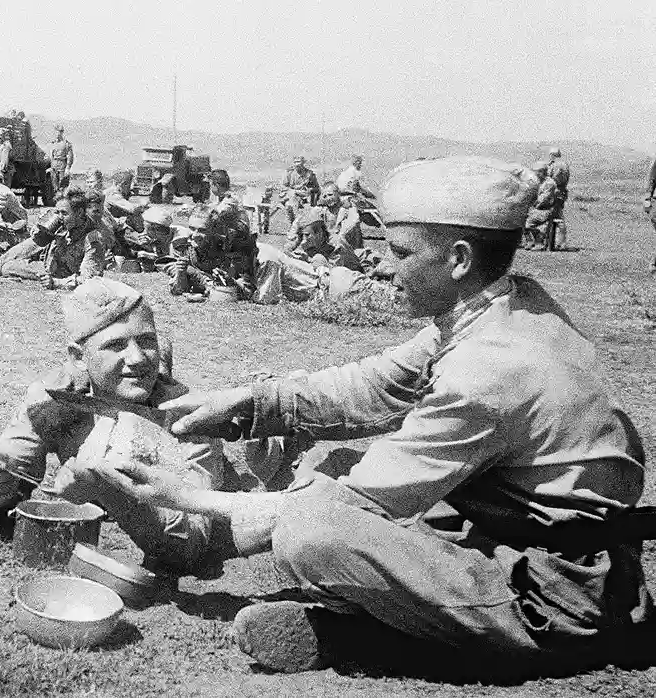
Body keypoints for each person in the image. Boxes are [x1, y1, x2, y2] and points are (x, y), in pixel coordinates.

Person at [99, 156, 651, 674]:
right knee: (333, 467)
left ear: (457, 259)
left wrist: (189, 498)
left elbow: (364, 497)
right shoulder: (501, 308)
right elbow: (375, 386)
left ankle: (409, 641)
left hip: (561, 589)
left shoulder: (495, 365)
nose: (387, 268)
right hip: (512, 535)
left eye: (402, 253)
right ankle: (381, 628)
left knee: (311, 529)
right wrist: (244, 404)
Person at [0, 277, 228, 575]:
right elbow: (5, 470)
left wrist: (109, 488)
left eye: (148, 341)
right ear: (78, 357)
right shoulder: (55, 397)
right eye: (115, 345)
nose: (137, 358)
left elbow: (191, 544)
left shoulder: (188, 414)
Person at [0, 186, 107, 288]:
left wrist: (57, 283)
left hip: (63, 276)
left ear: (80, 213)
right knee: (3, 266)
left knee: (6, 268)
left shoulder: (93, 238)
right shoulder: (62, 225)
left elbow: (89, 280)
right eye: (58, 212)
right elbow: (33, 244)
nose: (59, 217)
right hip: (48, 267)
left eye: (64, 213)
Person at [207, 169, 257, 298]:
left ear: (216, 184)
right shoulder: (223, 198)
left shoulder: (230, 199)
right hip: (233, 238)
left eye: (210, 184)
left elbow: (215, 214)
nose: (210, 188)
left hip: (240, 240)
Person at [165, 206, 223, 296]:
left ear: (214, 231)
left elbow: (230, 285)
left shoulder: (224, 247)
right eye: (191, 228)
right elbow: (179, 290)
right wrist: (182, 272)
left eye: (202, 230)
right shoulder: (180, 246)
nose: (195, 235)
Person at [523, 162, 558, 251]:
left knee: (528, 222)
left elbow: (543, 199)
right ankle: (530, 241)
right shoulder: (536, 182)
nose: (534, 174)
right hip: (535, 209)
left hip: (545, 210)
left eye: (536, 172)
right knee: (519, 218)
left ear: (542, 172)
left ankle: (539, 242)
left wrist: (532, 205)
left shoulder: (550, 183)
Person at [280, 156, 321, 225]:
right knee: (289, 206)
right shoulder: (289, 173)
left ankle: (300, 225)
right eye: (295, 162)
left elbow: (317, 188)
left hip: (306, 199)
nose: (297, 164)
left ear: (303, 163)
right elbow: (283, 187)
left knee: (306, 210)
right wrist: (294, 191)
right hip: (292, 198)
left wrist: (309, 190)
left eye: (299, 162)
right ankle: (293, 225)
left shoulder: (309, 174)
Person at [49, 124, 74, 195]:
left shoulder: (66, 144)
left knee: (62, 184)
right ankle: (56, 198)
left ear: (62, 132)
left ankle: (62, 198)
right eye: (56, 131)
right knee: (53, 184)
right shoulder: (53, 143)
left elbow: (70, 156)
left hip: (62, 164)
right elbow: (51, 155)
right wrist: (50, 166)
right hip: (54, 164)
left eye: (59, 131)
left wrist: (68, 168)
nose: (57, 133)